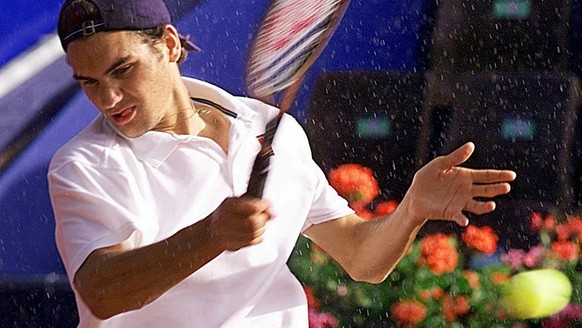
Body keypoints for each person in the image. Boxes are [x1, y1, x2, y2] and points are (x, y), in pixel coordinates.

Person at [48, 0, 517, 327]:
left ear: (169, 44)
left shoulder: (272, 129)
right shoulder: (82, 166)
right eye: (88, 82)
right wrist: (210, 235)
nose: (107, 98)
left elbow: (360, 257)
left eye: (122, 69)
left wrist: (411, 210)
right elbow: (102, 292)